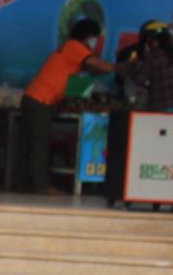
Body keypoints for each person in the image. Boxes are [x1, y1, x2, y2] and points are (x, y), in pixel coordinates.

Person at [19, 17, 114, 193]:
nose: (95, 42)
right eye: (95, 37)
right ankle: (41, 186)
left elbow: (88, 73)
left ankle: (21, 183)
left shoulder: (70, 51)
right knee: (39, 144)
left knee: (27, 144)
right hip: (40, 100)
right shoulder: (74, 47)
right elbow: (99, 65)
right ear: (87, 35)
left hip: (33, 98)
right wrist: (120, 67)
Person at [122, 20, 173, 111]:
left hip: (162, 106)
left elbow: (140, 80)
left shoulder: (153, 55)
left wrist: (129, 68)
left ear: (152, 39)